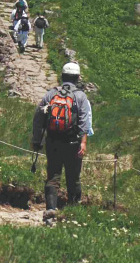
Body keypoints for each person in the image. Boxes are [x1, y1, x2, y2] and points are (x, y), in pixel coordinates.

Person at [32, 63, 94, 213]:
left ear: (62, 76)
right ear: (78, 78)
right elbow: (84, 123)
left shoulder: (51, 94)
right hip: (73, 143)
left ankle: (50, 210)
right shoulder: (80, 96)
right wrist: (83, 143)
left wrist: (36, 140)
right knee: (73, 178)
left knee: (53, 177)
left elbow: (38, 118)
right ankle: (74, 210)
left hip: (52, 142)